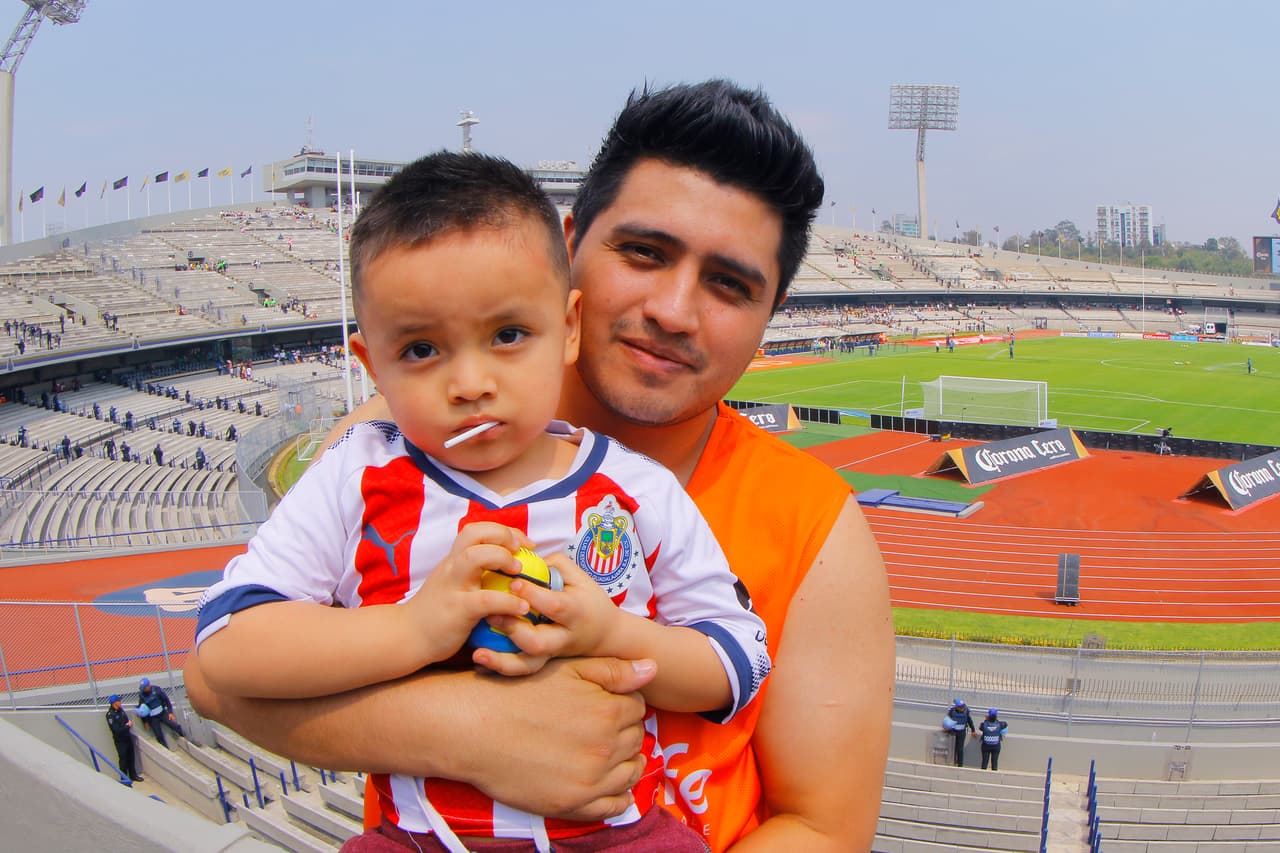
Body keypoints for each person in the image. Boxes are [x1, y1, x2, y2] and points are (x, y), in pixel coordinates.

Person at [185, 79, 894, 852]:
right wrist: (467, 731)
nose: (674, 310)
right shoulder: (394, 440)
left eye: (730, 284)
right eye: (644, 252)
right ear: (569, 250)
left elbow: (825, 827)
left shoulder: (816, 526)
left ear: (771, 313)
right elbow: (220, 677)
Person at [105, 694, 144, 784]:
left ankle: (133, 775)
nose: (120, 702)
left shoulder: (121, 711)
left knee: (131, 757)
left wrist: (127, 725)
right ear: (114, 703)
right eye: (119, 701)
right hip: (120, 741)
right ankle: (124, 779)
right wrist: (127, 726)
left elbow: (125, 720)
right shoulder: (110, 715)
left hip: (127, 737)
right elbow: (116, 730)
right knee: (123, 760)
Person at [136, 677, 184, 747]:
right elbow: (142, 709)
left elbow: (166, 700)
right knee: (158, 734)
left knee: (174, 725)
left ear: (148, 686)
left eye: (145, 688)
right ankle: (165, 748)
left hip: (162, 713)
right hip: (152, 717)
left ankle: (183, 735)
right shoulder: (142, 695)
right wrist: (145, 722)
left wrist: (170, 712)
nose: (144, 689)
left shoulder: (156, 690)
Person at [943, 698, 977, 767]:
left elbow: (970, 721)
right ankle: (951, 762)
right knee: (952, 747)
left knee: (960, 749)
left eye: (962, 706)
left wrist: (973, 730)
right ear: (956, 707)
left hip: (961, 732)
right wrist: (946, 728)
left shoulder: (966, 711)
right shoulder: (952, 711)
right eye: (960, 707)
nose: (962, 708)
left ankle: (960, 764)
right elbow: (948, 720)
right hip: (953, 732)